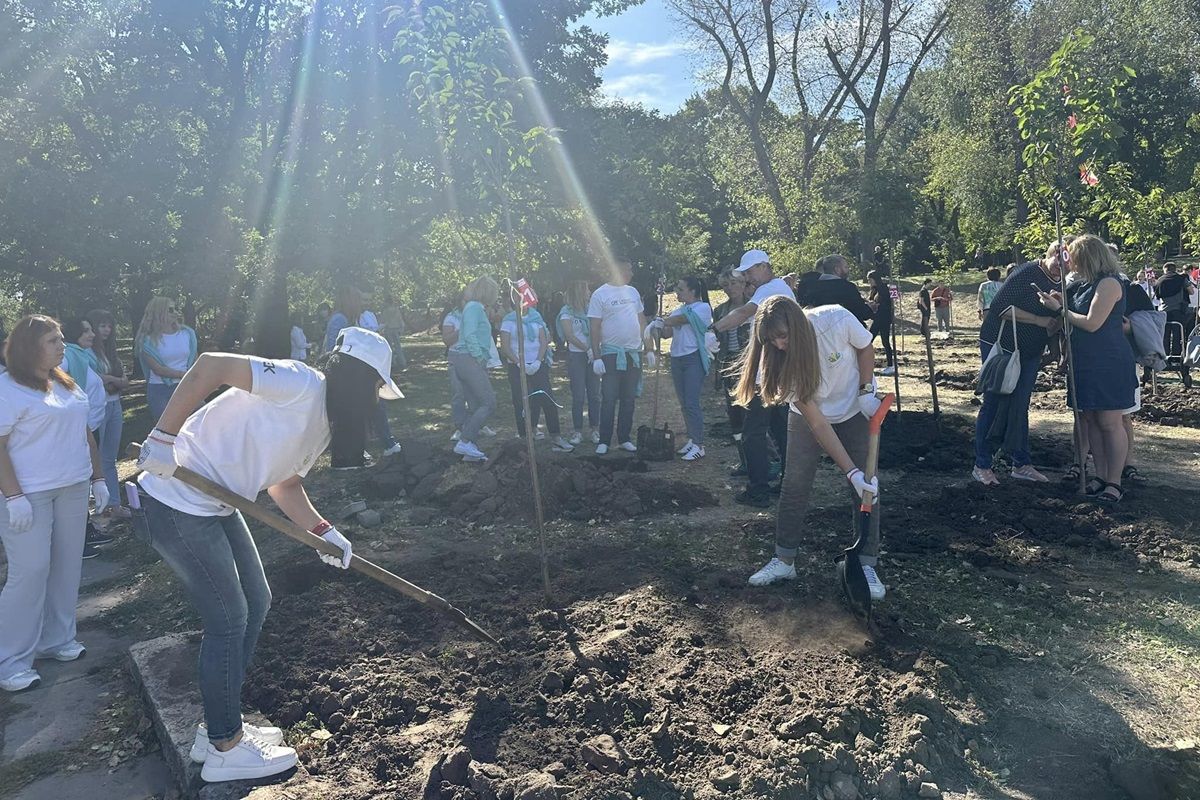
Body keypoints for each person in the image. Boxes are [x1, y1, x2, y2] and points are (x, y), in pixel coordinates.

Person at [133, 327, 398, 782]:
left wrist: (323, 531)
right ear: (360, 379)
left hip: (217, 502)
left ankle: (215, 727)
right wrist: (162, 436)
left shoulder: (324, 424)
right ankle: (226, 747)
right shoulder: (299, 382)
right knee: (228, 618)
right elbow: (211, 366)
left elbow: (284, 482)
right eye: (376, 388)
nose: (374, 402)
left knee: (258, 600)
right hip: (176, 497)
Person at [737, 297, 885, 600]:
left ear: (797, 324)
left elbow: (865, 346)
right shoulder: (777, 365)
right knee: (794, 483)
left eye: (782, 335)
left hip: (855, 408)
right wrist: (851, 472)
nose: (779, 345)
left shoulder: (836, 320)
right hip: (809, 418)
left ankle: (867, 564)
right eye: (771, 340)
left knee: (867, 487)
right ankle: (784, 560)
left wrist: (866, 390)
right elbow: (818, 425)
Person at [1, 315, 107, 693]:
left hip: (73, 486)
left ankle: (56, 638)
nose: (62, 345)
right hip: (28, 494)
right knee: (30, 570)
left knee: (66, 564)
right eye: (53, 340)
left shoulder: (65, 382)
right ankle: (9, 659)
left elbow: (85, 432)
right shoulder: (8, 388)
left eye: (61, 338)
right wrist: (13, 497)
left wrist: (98, 478)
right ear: (30, 347)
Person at [1037, 235, 1137, 503]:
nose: (1071, 265)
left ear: (1088, 257)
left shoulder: (1109, 284)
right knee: (1091, 420)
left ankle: (1114, 482)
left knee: (1109, 422)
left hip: (1109, 361)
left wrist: (1059, 310)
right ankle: (1100, 475)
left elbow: (1092, 323)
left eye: (1074, 259)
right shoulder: (1083, 285)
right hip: (1085, 362)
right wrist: (1063, 302)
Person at [972, 241, 1065, 486]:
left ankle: (1021, 463)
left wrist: (1054, 346)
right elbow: (1000, 308)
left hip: (1030, 350)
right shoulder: (1027, 273)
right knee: (993, 400)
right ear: (1049, 254)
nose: (1061, 268)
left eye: (1067, 263)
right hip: (1001, 345)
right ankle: (982, 464)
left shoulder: (1063, 282)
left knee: (1020, 404)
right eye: (1058, 261)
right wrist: (1040, 320)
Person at [714, 249, 794, 506]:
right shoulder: (777, 287)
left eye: (749, 271)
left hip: (769, 373)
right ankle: (788, 484)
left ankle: (758, 489)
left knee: (753, 432)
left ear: (763, 266)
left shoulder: (770, 289)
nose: (748, 277)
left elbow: (742, 314)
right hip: (779, 369)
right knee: (781, 428)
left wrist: (712, 329)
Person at [324, 288, 401, 459]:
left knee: (368, 407)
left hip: (353, 371)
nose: (361, 305)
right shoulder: (340, 319)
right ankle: (385, 443)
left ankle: (371, 444)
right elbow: (334, 347)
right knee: (373, 405)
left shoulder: (347, 318)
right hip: (346, 373)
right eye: (358, 301)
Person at [588, 259, 651, 455]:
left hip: (633, 353)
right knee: (609, 397)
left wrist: (648, 348)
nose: (631, 273)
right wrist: (597, 356)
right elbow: (594, 326)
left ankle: (624, 437)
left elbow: (642, 322)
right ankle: (604, 440)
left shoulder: (632, 292)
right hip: (611, 354)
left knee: (629, 398)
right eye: (628, 270)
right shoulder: (600, 294)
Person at [499, 294, 573, 451]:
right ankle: (525, 438)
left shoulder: (536, 317)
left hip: (538, 365)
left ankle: (556, 436)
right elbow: (505, 347)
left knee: (546, 398)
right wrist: (520, 362)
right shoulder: (509, 320)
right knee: (521, 402)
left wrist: (539, 360)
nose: (526, 303)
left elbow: (543, 340)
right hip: (517, 366)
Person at [653, 276, 714, 461]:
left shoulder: (702, 308)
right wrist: (657, 326)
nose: (677, 291)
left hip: (693, 359)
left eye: (680, 288)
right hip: (677, 359)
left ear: (693, 291)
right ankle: (692, 438)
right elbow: (666, 333)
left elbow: (682, 320)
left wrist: (663, 320)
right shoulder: (677, 310)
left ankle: (699, 444)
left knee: (691, 402)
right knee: (684, 403)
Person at [86, 309, 133, 519]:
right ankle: (101, 504)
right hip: (98, 408)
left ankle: (114, 504)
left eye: (109, 326)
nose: (106, 330)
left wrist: (112, 380)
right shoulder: (87, 352)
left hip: (115, 406)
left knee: (110, 458)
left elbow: (124, 381)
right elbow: (97, 380)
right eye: (102, 325)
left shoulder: (111, 352)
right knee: (96, 456)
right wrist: (112, 380)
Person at [448, 277, 501, 461]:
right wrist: (479, 357)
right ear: (488, 292)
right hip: (468, 359)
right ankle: (465, 441)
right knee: (489, 402)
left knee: (475, 405)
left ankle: (468, 448)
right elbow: (469, 334)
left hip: (464, 358)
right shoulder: (474, 308)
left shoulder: (475, 308)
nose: (497, 296)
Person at [714, 268, 753, 476]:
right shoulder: (720, 310)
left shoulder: (753, 306)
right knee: (735, 415)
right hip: (728, 364)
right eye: (725, 285)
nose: (730, 288)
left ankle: (765, 459)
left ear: (743, 284)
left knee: (752, 414)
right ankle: (744, 461)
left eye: (733, 283)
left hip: (749, 363)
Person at [136, 297, 198, 422]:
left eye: (176, 309)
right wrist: (184, 375)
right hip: (160, 390)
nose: (175, 312)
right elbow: (158, 369)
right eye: (170, 309)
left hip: (186, 386)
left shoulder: (187, 333)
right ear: (159, 312)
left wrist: (193, 378)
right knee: (166, 433)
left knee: (194, 425)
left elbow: (195, 358)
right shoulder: (147, 340)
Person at [557, 280, 601, 445]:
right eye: (587, 290)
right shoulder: (566, 312)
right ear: (579, 292)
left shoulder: (591, 309)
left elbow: (598, 328)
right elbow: (569, 335)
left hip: (593, 355)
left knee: (595, 394)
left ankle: (595, 429)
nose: (589, 293)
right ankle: (577, 431)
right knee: (578, 395)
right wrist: (586, 348)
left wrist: (595, 350)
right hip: (577, 356)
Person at [794, 254, 874, 323]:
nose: (848, 270)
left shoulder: (811, 287)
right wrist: (870, 308)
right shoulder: (847, 288)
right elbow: (860, 312)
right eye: (845, 267)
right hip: (844, 332)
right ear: (837, 269)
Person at [1155, 262, 1195, 384]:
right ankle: (1177, 358)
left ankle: (1164, 357)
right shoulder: (1181, 279)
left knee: (1164, 335)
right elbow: (1191, 291)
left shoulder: (1159, 281)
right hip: (1178, 310)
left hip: (1163, 311)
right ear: (1174, 269)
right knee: (1179, 335)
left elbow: (1157, 297)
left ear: (1165, 270)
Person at [866, 270, 895, 376]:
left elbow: (886, 303)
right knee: (871, 340)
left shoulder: (884, 289)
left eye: (870, 280)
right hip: (878, 318)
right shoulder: (874, 290)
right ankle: (890, 365)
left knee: (876, 340)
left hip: (883, 318)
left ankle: (891, 365)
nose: (869, 282)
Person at [381, 295, 408, 371]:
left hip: (388, 329)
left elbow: (383, 320)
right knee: (398, 346)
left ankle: (392, 362)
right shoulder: (396, 310)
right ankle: (402, 362)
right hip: (396, 329)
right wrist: (401, 328)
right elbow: (400, 319)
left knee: (389, 347)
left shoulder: (385, 311)